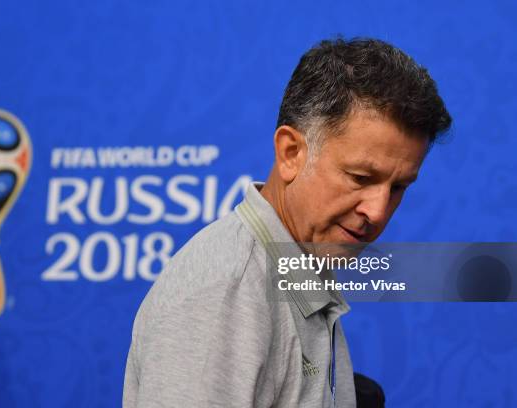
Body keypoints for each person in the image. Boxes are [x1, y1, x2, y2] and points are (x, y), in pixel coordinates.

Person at [123, 37, 451, 407]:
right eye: (360, 177)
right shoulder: (226, 292)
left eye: (398, 187)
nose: (377, 211)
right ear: (291, 153)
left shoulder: (300, 262)